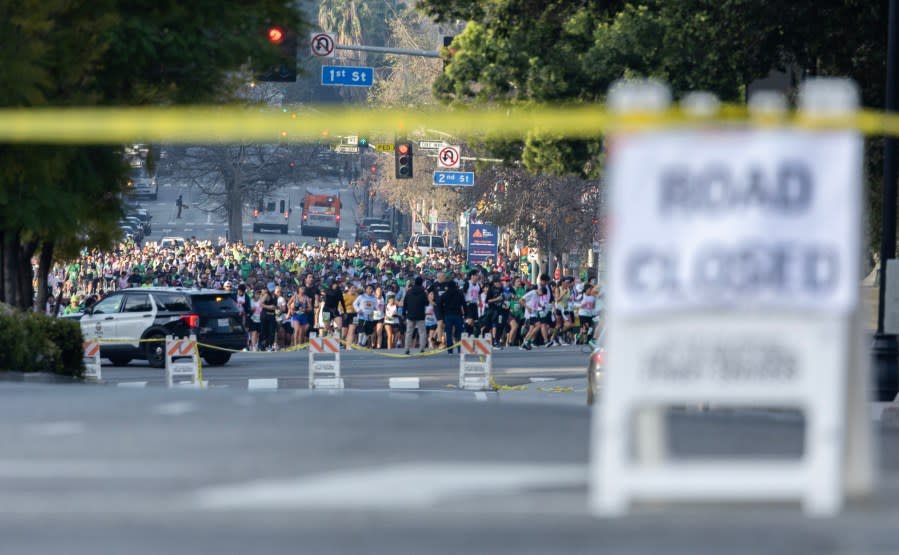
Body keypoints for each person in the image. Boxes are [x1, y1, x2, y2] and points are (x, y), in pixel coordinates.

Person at [438, 279, 465, 354]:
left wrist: (441, 314)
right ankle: (460, 348)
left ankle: (450, 349)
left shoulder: (445, 294)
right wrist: (466, 314)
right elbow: (464, 304)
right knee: (459, 332)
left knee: (448, 332)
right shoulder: (459, 293)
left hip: (448, 315)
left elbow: (439, 305)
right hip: (458, 315)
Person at [403, 276, 428, 355]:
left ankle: (407, 349)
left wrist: (404, 313)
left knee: (409, 332)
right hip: (420, 314)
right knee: (422, 332)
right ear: (421, 283)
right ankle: (422, 348)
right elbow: (426, 303)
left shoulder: (409, 292)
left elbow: (405, 303)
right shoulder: (423, 292)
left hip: (410, 314)